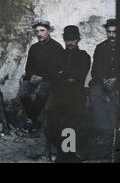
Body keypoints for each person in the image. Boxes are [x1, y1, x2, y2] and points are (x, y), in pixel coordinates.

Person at [45, 25, 91, 162]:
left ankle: (66, 154)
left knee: (71, 122)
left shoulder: (84, 56)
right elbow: (53, 75)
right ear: (64, 40)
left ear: (79, 40)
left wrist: (63, 75)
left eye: (73, 40)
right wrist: (66, 77)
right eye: (67, 40)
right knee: (52, 123)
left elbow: (79, 75)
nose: (70, 43)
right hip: (58, 95)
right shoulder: (58, 55)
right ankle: (64, 152)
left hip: (76, 96)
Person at [19, 19, 64, 134]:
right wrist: (31, 76)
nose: (39, 34)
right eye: (37, 31)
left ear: (48, 31)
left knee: (41, 93)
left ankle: (32, 120)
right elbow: (28, 66)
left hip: (49, 79)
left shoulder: (56, 47)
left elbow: (58, 70)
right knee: (23, 93)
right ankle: (35, 120)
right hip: (34, 78)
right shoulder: (34, 48)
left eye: (42, 30)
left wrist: (42, 78)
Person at [89, 18, 119, 155]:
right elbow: (95, 70)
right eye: (109, 32)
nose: (112, 36)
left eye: (115, 32)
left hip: (117, 83)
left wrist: (116, 79)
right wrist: (103, 80)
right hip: (102, 82)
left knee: (113, 99)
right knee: (95, 95)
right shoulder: (100, 48)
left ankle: (112, 137)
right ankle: (105, 133)